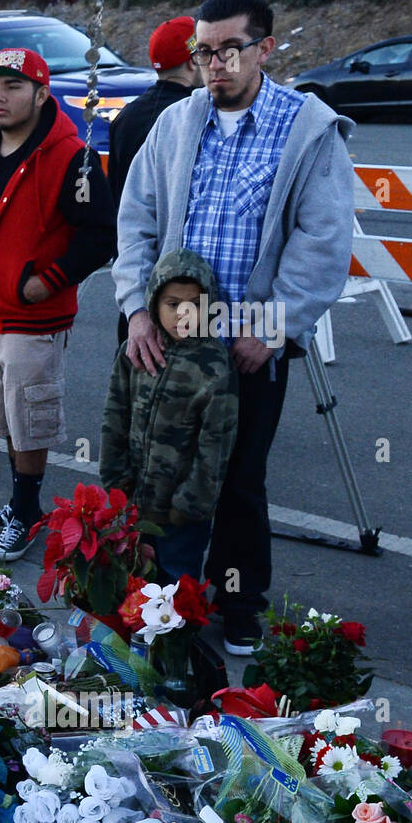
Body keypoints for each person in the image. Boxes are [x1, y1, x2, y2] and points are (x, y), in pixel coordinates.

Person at [114, 0, 354, 655]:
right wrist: (136, 309)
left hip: (248, 346)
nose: (214, 64)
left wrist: (275, 324)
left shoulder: (306, 128)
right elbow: (136, 219)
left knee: (240, 480)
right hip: (174, 343)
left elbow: (324, 239)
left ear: (265, 48)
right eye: (204, 51)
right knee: (168, 475)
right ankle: (168, 602)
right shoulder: (177, 123)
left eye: (228, 50)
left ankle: (240, 602)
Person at [0, 50, 116, 561]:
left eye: (12, 86)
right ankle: (19, 505)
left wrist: (47, 281)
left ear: (42, 94)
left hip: (33, 317)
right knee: (3, 416)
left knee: (30, 418)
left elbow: (99, 236)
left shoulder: (75, 157)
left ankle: (26, 513)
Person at [100, 249, 238, 582]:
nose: (184, 314)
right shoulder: (136, 352)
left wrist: (187, 506)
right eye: (173, 304)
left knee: (177, 589)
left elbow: (215, 447)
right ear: (153, 303)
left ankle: (178, 635)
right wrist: (115, 479)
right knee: (130, 582)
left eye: (194, 304)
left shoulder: (215, 367)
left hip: (181, 517)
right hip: (132, 504)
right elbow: (114, 417)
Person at [107, 16, 201, 345]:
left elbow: (117, 199)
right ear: (194, 60)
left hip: (134, 274)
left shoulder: (126, 117)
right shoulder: (193, 117)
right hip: (182, 278)